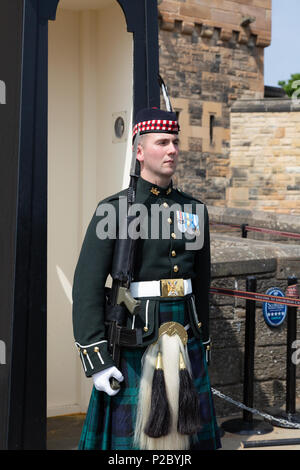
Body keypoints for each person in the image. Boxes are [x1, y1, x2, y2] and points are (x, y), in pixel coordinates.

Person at [72, 106, 221, 450]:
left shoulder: (193, 209)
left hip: (185, 336)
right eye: (162, 142)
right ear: (140, 151)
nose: (172, 150)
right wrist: (97, 360)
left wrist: (205, 340)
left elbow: (201, 281)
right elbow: (88, 287)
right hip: (134, 336)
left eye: (175, 142)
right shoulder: (113, 209)